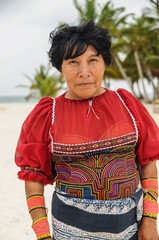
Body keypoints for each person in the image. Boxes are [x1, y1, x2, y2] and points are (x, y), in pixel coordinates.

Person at [15, 20, 159, 240]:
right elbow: (33, 178)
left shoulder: (127, 105)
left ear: (104, 63)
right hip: (70, 231)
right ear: (60, 67)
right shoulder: (48, 114)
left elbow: (148, 163)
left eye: (93, 60)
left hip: (131, 228)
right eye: (73, 62)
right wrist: (43, 235)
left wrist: (150, 220)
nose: (84, 72)